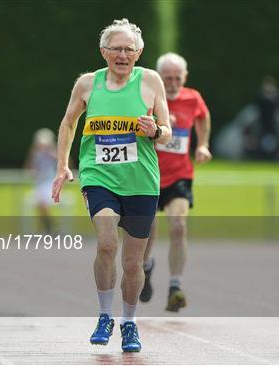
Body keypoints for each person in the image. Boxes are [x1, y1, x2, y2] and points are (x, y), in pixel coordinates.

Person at [51, 19, 171, 352]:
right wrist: (63, 165)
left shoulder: (150, 81)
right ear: (103, 52)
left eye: (128, 49)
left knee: (133, 263)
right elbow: (68, 123)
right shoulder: (88, 84)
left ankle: (129, 323)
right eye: (115, 49)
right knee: (106, 244)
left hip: (141, 182)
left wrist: (155, 131)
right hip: (99, 177)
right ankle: (105, 315)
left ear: (139, 52)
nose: (122, 55)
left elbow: (168, 131)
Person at [139, 52, 211, 312]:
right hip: (148, 174)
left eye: (177, 78)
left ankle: (175, 286)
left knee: (178, 226)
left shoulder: (193, 98)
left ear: (185, 77)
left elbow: (203, 117)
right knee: (147, 231)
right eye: (167, 78)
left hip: (179, 175)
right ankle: (145, 269)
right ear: (159, 77)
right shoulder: (147, 96)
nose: (172, 83)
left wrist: (202, 145)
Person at [24, 128, 58, 233]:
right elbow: (28, 168)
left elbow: (65, 166)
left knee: (42, 203)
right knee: (41, 203)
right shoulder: (35, 154)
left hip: (51, 184)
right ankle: (49, 226)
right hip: (39, 184)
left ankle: (47, 227)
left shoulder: (54, 154)